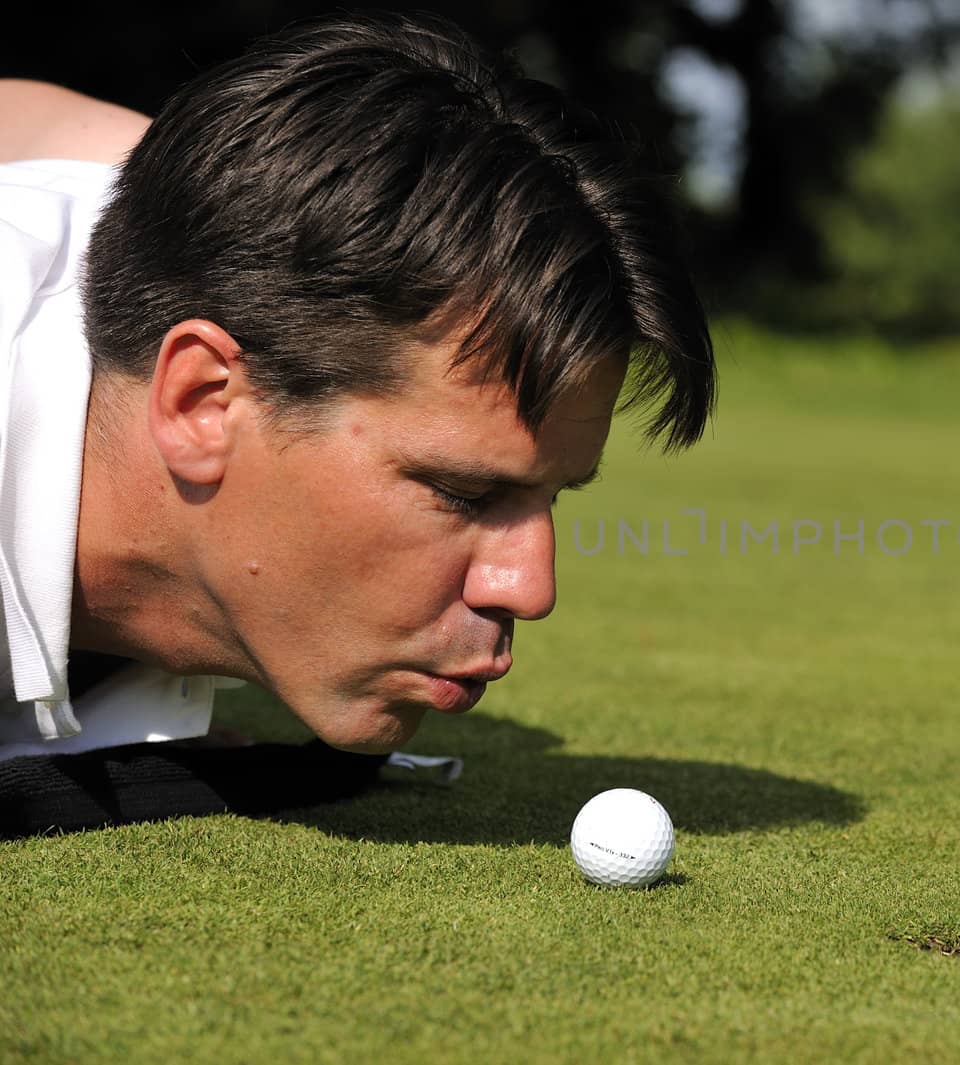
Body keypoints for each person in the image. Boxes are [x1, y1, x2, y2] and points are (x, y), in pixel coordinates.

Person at [0, 12, 715, 820]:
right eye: (461, 492)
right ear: (203, 403)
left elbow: (35, 119)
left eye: (554, 495)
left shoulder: (187, 207)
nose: (531, 588)